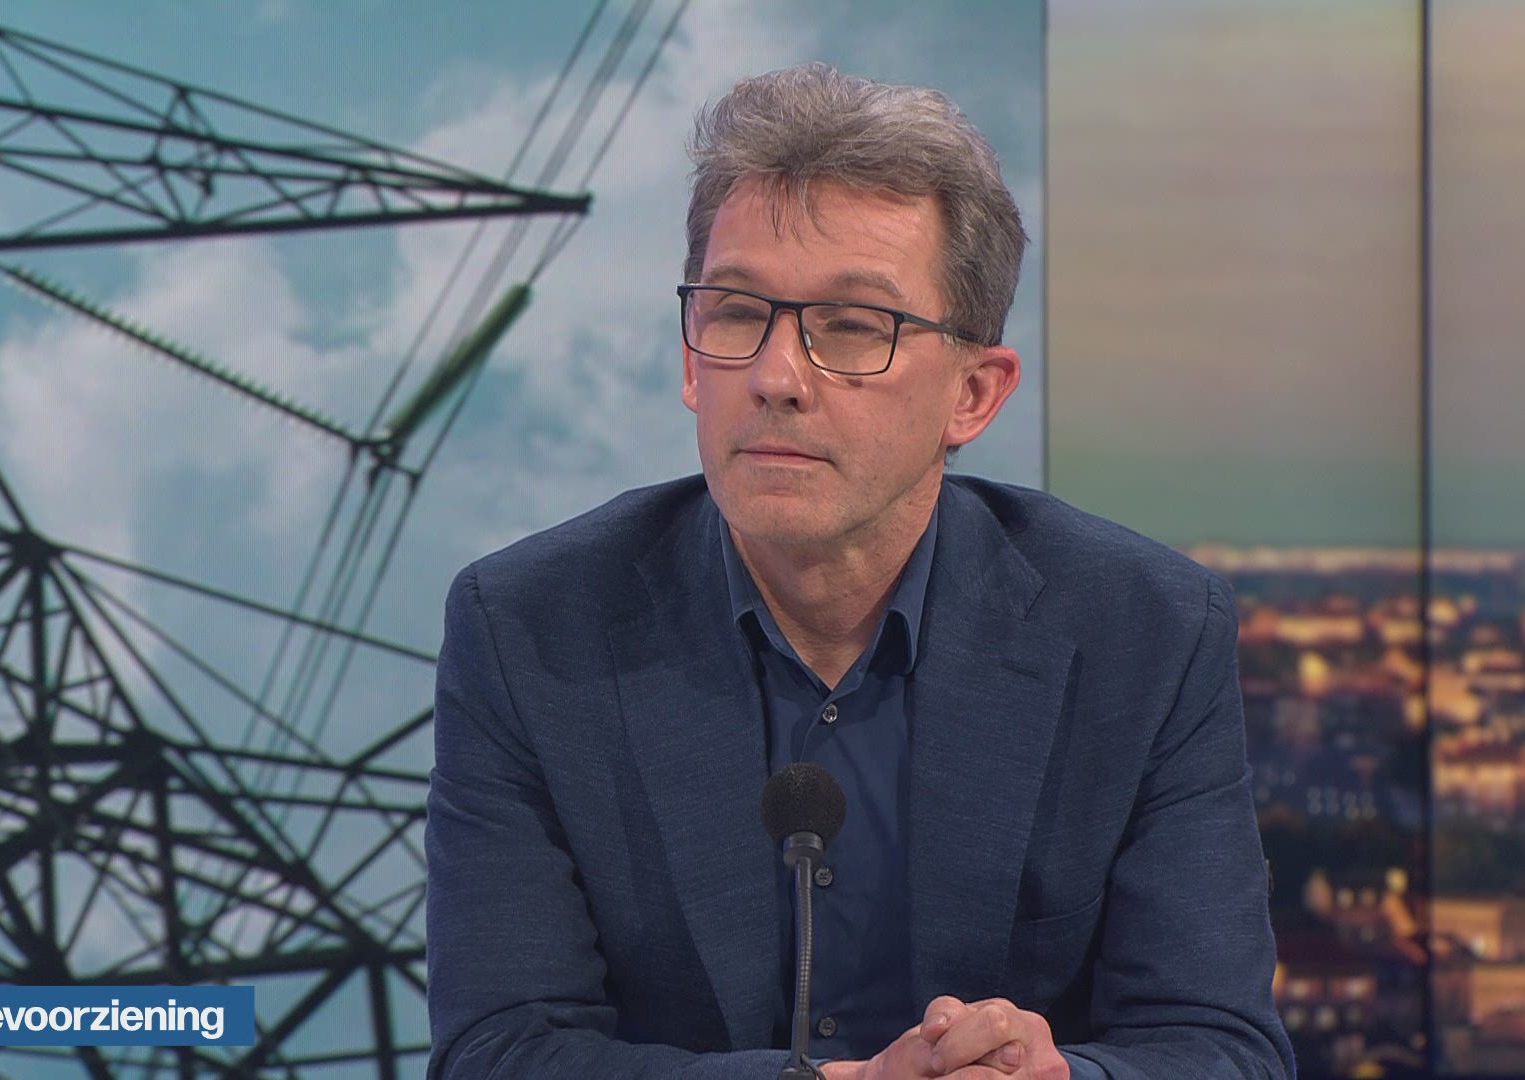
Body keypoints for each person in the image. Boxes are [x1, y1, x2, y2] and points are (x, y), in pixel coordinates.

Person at [424, 63, 1294, 1080]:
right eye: (737, 312)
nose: (777, 377)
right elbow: (498, 1053)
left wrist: (1066, 1079)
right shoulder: (528, 628)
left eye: (852, 328)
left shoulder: (1144, 632)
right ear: (692, 359)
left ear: (975, 393)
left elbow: (1220, 1048)